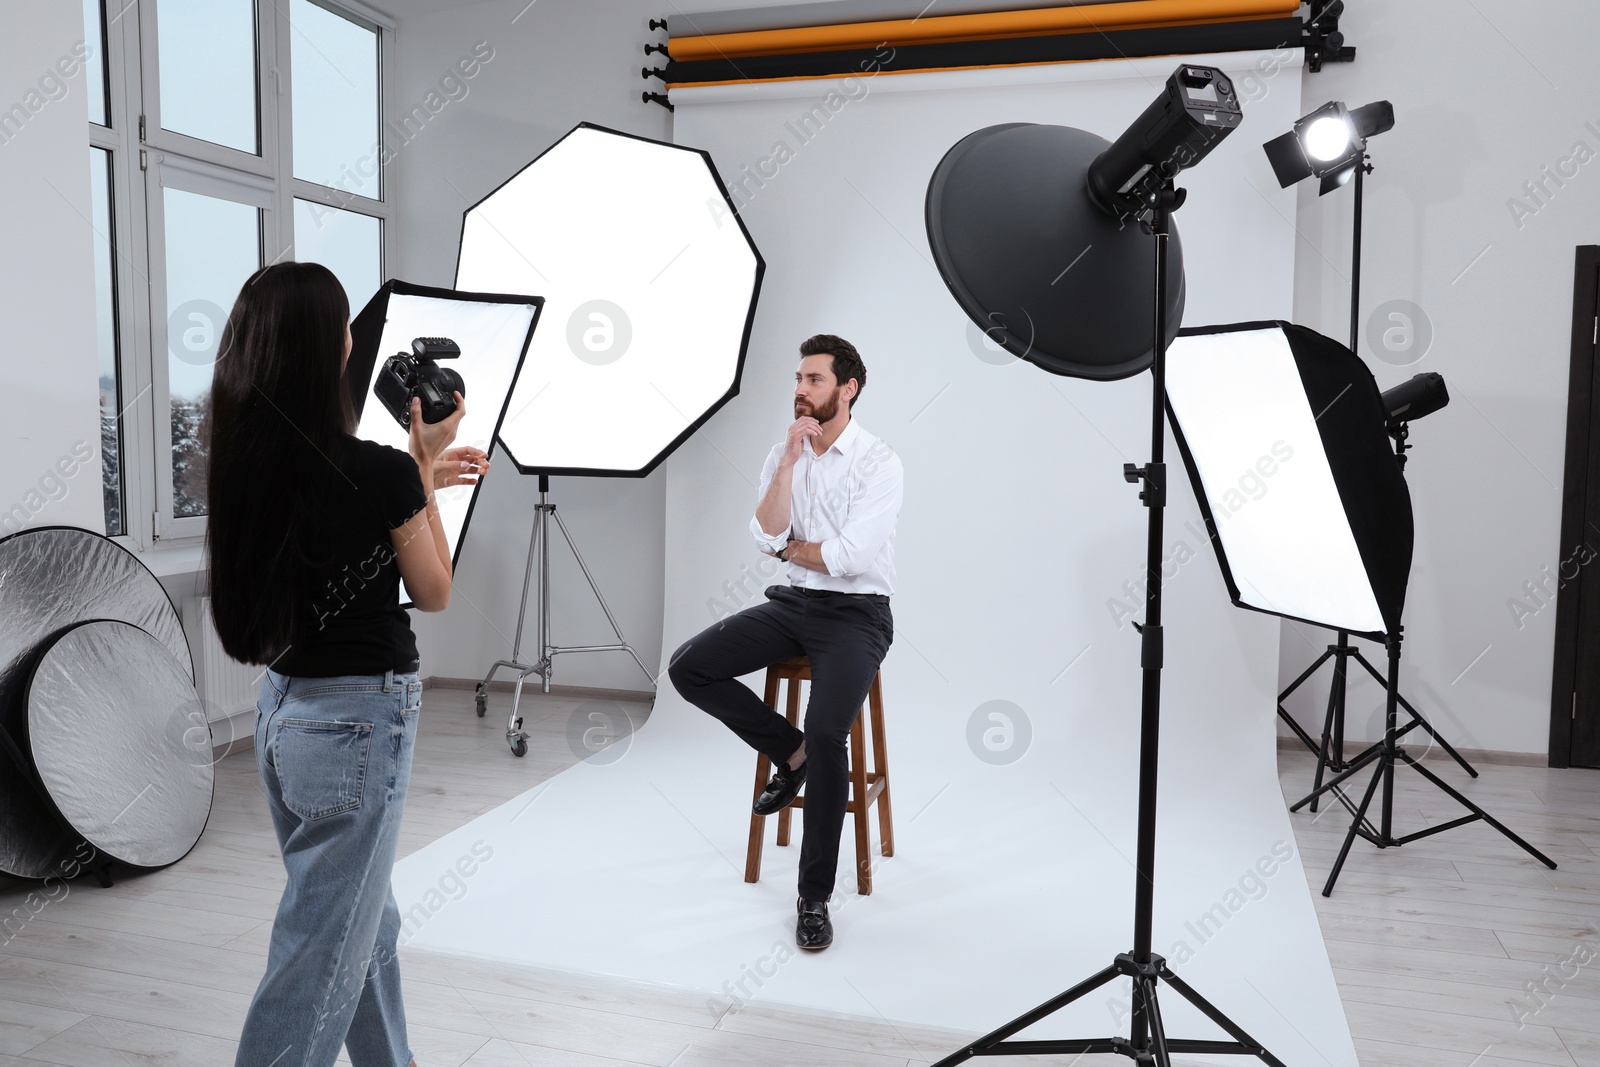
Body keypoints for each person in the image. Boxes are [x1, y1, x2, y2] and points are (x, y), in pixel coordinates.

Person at [206, 262, 489, 1067]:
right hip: (358, 722)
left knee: (364, 922)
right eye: (342, 326)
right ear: (324, 349)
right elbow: (434, 590)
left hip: (282, 715)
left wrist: (421, 468)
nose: (352, 338)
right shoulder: (380, 470)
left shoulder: (243, 461)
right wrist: (421, 469)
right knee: (321, 946)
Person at [669, 334, 902, 951]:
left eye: (815, 380)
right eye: (798, 378)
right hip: (795, 604)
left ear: (848, 389)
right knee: (689, 668)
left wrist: (786, 549)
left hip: (858, 616)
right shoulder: (786, 452)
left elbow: (851, 559)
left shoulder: (879, 462)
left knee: (832, 734)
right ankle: (788, 751)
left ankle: (814, 896)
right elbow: (761, 531)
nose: (801, 390)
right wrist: (790, 468)